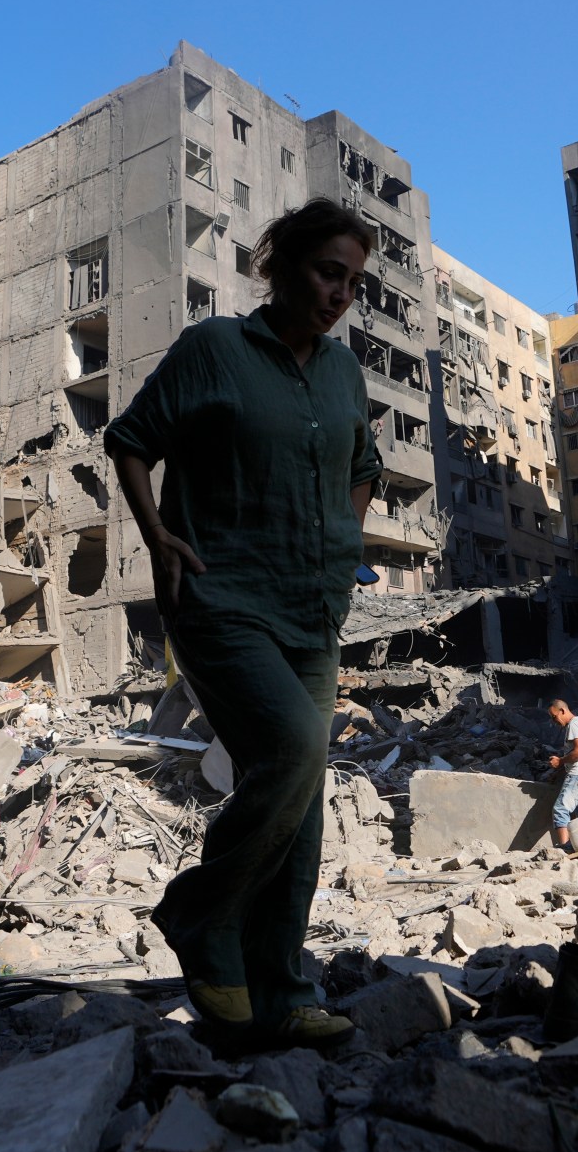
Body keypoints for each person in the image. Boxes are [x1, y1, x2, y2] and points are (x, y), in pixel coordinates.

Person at [107, 198, 379, 1052]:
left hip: (314, 608)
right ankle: (201, 912)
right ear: (283, 265)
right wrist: (157, 539)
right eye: (328, 272)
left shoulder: (343, 374)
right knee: (296, 750)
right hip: (221, 596)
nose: (340, 294)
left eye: (354, 281)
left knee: (301, 800)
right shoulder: (214, 350)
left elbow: (362, 467)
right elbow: (131, 440)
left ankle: (283, 991)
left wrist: (341, 537)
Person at [544, 698, 578, 852]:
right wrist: (559, 770)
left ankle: (565, 849)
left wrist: (560, 762)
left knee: (560, 809)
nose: (554, 721)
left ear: (562, 711)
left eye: (554, 716)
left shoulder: (573, 724)